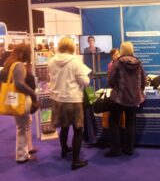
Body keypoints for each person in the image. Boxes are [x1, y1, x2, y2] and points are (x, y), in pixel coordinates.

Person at [48, 37, 91, 170]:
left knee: (64, 127)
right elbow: (85, 82)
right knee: (78, 130)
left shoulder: (51, 61)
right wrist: (87, 78)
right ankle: (76, 161)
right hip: (73, 100)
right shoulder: (75, 62)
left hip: (57, 100)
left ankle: (65, 149)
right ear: (71, 46)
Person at [0, 44, 40, 163]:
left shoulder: (9, 65)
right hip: (20, 98)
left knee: (24, 123)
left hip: (13, 98)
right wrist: (33, 93)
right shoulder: (18, 65)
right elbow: (19, 84)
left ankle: (28, 148)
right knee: (22, 127)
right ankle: (22, 155)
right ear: (23, 54)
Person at [107, 41, 145, 157]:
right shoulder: (138, 63)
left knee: (113, 122)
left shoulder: (117, 63)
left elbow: (111, 80)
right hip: (133, 98)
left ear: (122, 50)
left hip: (119, 98)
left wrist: (116, 88)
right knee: (130, 123)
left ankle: (115, 150)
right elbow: (143, 81)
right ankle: (129, 149)